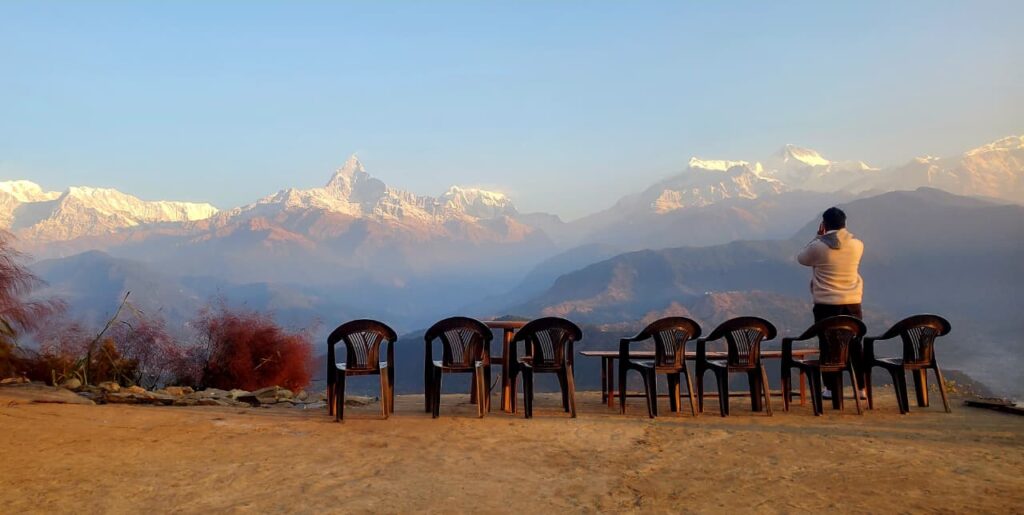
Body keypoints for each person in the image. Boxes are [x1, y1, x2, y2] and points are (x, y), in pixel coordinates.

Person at [796, 206, 866, 400]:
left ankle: (830, 388)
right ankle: (861, 388)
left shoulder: (818, 247)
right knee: (855, 344)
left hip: (826, 304)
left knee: (827, 345)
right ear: (845, 223)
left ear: (824, 225)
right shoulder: (858, 245)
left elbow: (802, 258)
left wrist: (818, 236)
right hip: (853, 303)